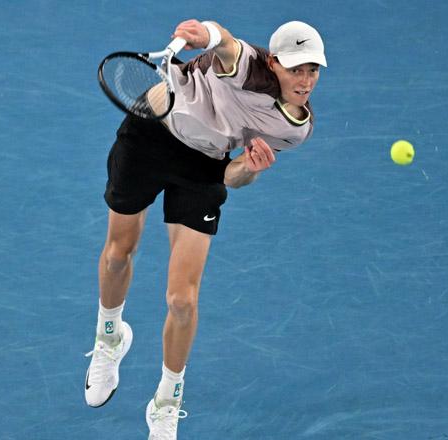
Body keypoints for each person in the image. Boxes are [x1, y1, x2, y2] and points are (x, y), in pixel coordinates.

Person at [85, 19, 326, 439]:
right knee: (118, 254)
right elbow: (223, 40)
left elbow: (229, 177)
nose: (305, 81)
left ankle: (167, 400)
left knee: (182, 300)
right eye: (295, 69)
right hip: (150, 134)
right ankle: (110, 339)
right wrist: (203, 35)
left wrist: (249, 168)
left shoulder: (295, 129)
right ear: (274, 63)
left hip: (203, 166)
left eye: (313, 70)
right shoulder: (250, 65)